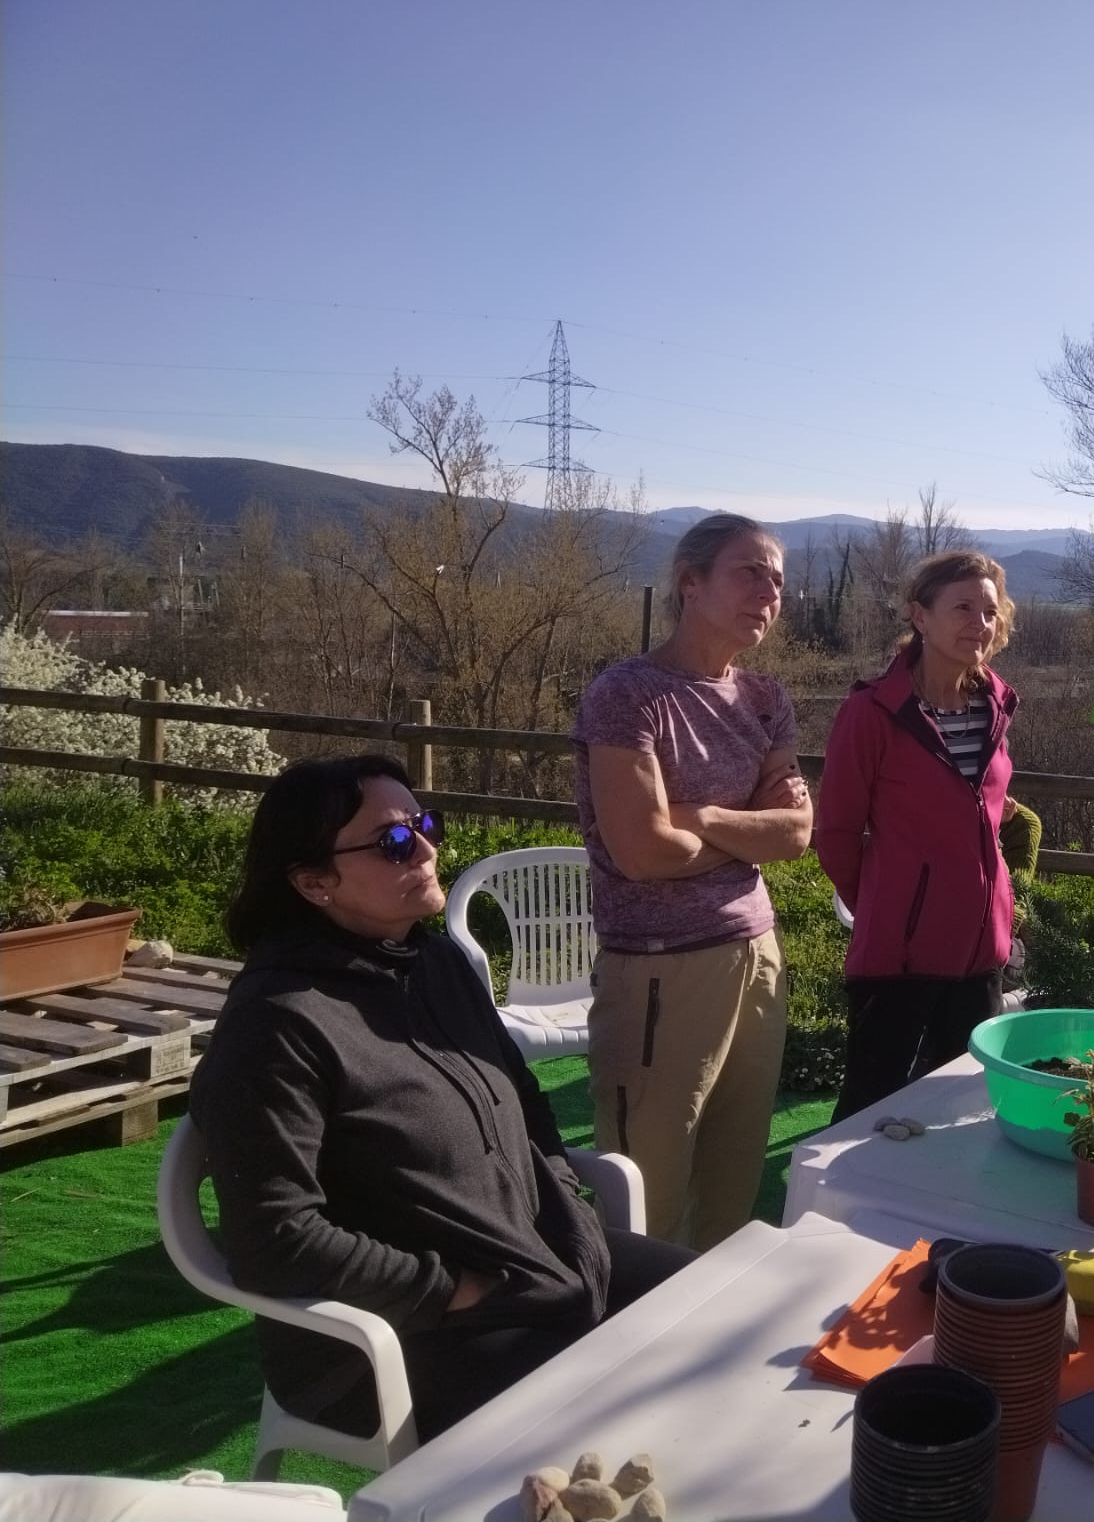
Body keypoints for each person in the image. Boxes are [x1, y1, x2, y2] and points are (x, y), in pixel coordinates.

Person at [190, 756, 693, 1443]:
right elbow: (274, 1240)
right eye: (392, 842)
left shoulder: (434, 962)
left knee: (723, 1310)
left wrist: (563, 1200)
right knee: (638, 1413)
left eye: (424, 824)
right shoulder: (276, 1023)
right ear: (314, 883)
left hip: (532, 1261)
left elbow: (519, 1092)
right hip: (394, 1336)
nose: (428, 849)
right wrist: (455, 1289)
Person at [573, 514, 809, 1252]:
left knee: (731, 1187)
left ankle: (703, 1346)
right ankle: (625, 1351)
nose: (769, 590)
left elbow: (798, 833)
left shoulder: (766, 700)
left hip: (757, 957)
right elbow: (642, 853)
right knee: (649, 1191)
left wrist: (702, 816)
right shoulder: (629, 695)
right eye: (750, 572)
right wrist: (746, 834)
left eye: (778, 578)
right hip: (659, 968)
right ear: (690, 583)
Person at [817, 550, 1019, 1122]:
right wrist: (891, 906)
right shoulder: (873, 711)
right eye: (962, 607)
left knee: (962, 1111)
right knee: (870, 1113)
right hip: (899, 958)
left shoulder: (996, 706)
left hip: (981, 952)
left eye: (988, 610)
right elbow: (835, 832)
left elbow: (987, 818)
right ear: (920, 616)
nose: (978, 623)